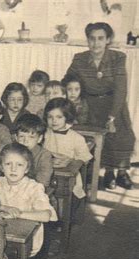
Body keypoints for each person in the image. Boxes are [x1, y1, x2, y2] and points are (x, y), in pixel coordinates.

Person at [66, 22, 135, 189]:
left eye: (100, 38)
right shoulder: (80, 58)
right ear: (87, 40)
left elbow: (121, 88)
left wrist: (112, 115)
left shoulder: (118, 57)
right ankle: (108, 173)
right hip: (90, 105)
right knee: (97, 140)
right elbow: (68, 79)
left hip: (113, 103)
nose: (96, 43)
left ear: (108, 40)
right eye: (92, 39)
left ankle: (122, 172)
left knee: (122, 137)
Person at [0, 143, 57, 256]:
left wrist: (17, 214)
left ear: (27, 169)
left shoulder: (34, 188)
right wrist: (3, 207)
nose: (13, 169)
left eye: (19, 165)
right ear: (1, 167)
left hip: (26, 241)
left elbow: (46, 216)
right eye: (8, 164)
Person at [43, 98, 92, 199]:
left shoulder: (76, 138)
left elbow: (84, 158)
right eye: (50, 117)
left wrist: (71, 163)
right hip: (45, 170)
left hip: (67, 173)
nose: (54, 121)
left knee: (68, 192)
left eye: (59, 117)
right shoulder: (44, 134)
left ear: (67, 117)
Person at [14, 113, 53, 189]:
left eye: (31, 137)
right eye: (21, 136)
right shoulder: (12, 152)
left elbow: (43, 180)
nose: (25, 141)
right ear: (16, 137)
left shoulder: (44, 155)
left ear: (39, 139)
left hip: (37, 190)